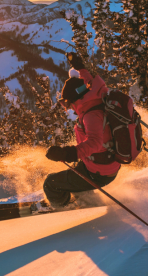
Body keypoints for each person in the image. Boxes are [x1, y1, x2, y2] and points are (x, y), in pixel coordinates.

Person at [44, 52, 120, 208]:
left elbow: (95, 142)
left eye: (67, 102)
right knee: (75, 170)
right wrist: (79, 67)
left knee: (50, 183)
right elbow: (87, 83)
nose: (67, 107)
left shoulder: (91, 115)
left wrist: (67, 153)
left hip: (99, 172)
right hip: (106, 164)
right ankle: (82, 194)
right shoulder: (95, 96)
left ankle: (64, 206)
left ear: (75, 99)